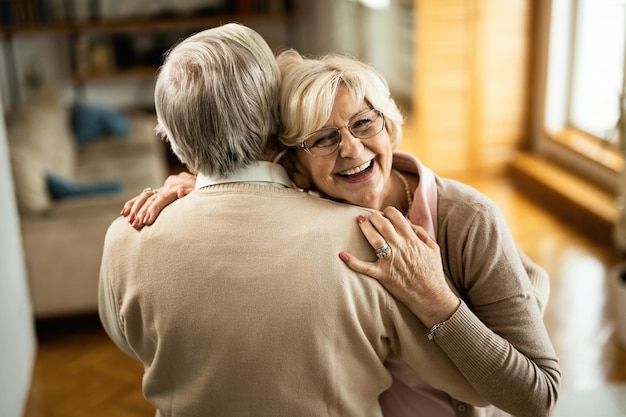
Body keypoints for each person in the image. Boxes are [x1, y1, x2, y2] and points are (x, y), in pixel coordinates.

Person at [123, 46, 561, 417]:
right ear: (294, 162)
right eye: (323, 138)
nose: (351, 148)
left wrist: (436, 298)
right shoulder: (302, 209)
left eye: (363, 123)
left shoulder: (466, 218)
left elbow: (537, 396)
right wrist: (192, 188)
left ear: (389, 126)